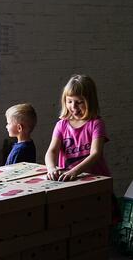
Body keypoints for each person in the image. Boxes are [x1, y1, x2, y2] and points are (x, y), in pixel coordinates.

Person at [45, 74, 121, 223]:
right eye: (70, 102)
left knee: (99, 220)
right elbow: (52, 151)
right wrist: (51, 168)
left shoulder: (96, 124)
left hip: (94, 180)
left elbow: (96, 153)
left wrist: (75, 171)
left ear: (90, 102)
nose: (74, 107)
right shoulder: (61, 125)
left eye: (79, 102)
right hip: (69, 182)